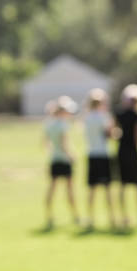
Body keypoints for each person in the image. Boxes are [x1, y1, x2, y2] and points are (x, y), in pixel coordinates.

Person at [115, 85, 137, 227]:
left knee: (123, 185)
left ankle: (124, 216)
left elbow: (114, 132)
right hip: (132, 151)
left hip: (121, 150)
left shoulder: (119, 114)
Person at [42, 96, 79, 228]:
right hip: (64, 160)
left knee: (52, 189)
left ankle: (49, 216)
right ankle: (75, 216)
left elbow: (46, 144)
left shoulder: (49, 124)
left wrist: (54, 152)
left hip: (54, 159)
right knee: (69, 190)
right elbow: (65, 144)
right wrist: (72, 156)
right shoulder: (63, 125)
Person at [83, 88, 116, 229]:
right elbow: (109, 134)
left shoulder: (87, 118)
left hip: (91, 154)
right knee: (107, 188)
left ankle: (90, 218)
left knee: (92, 189)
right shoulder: (104, 117)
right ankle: (112, 218)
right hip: (103, 154)